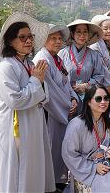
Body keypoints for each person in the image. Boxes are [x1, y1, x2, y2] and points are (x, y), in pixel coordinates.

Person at [0, 12, 55, 193]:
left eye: (30, 37)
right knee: (18, 170)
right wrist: (36, 82)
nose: (28, 41)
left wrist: (39, 83)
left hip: (33, 123)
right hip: (15, 128)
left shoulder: (29, 64)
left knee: (32, 166)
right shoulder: (5, 68)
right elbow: (15, 100)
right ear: (10, 41)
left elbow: (44, 95)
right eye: (22, 37)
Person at [62, 85, 110, 193]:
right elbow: (69, 155)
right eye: (98, 99)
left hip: (107, 161)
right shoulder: (76, 125)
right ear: (88, 102)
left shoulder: (108, 119)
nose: (103, 102)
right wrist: (93, 167)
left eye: (106, 98)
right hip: (87, 169)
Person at [33, 24, 78, 190]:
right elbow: (50, 91)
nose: (58, 41)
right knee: (52, 148)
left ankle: (58, 181)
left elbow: (66, 84)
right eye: (53, 38)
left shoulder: (57, 59)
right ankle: (51, 184)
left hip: (64, 108)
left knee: (60, 147)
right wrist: (68, 107)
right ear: (44, 40)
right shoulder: (42, 60)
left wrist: (74, 99)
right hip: (52, 113)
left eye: (60, 38)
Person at [58, 19, 105, 102]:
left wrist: (86, 86)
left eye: (85, 32)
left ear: (88, 35)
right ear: (72, 34)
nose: (82, 35)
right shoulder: (62, 54)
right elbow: (57, 77)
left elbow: (99, 76)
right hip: (66, 97)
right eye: (78, 32)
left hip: (88, 97)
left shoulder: (94, 55)